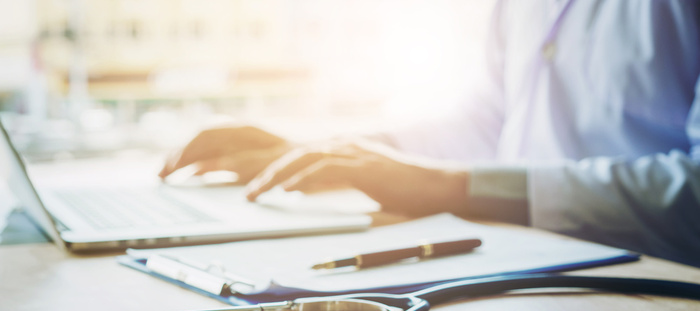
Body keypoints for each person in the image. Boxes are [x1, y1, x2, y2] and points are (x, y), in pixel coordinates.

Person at [159, 0, 700, 267]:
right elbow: (487, 121)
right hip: (527, 267)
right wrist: (322, 154)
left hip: (662, 308)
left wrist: (453, 188)